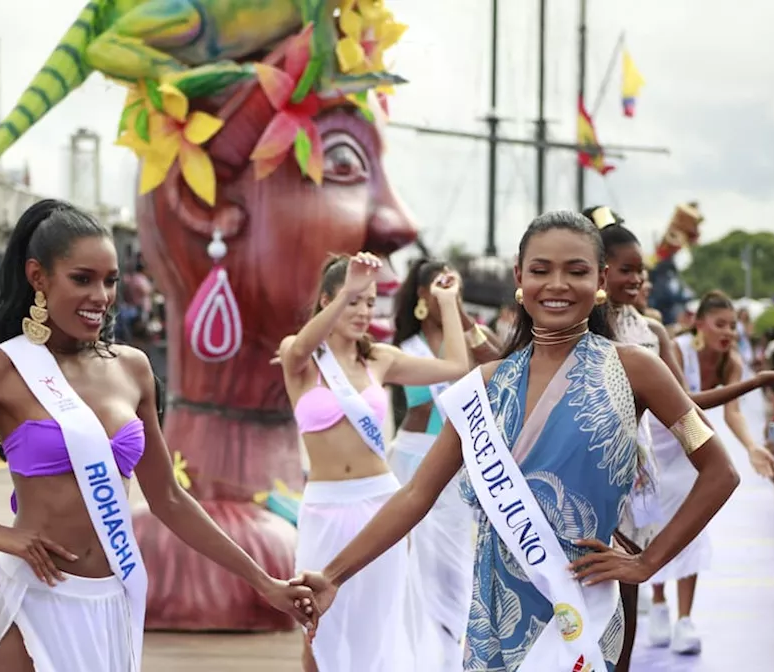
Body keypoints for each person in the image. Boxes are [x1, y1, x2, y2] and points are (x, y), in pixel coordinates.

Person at [0, 200, 313, 672]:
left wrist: (264, 583)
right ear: (38, 277)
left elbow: (169, 499)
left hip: (109, 603)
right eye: (82, 278)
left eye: (111, 280)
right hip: (29, 601)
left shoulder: (133, 369)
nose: (101, 295)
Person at [293, 211, 741, 672]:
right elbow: (415, 494)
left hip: (584, 608)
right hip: (494, 615)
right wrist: (332, 576)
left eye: (577, 270)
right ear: (519, 278)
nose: (558, 284)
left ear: (601, 279)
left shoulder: (637, 370)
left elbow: (720, 470)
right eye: (541, 270)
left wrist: (648, 562)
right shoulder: (485, 385)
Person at [593, 210, 774, 661]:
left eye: (642, 271)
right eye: (626, 269)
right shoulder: (580, 325)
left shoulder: (651, 331)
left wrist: (758, 381)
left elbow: (686, 402)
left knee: (626, 597)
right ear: (600, 269)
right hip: (584, 476)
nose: (636, 279)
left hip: (635, 477)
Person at [278, 251, 472, 671]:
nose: (364, 310)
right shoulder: (300, 357)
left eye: (370, 301)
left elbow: (456, 366)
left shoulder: (378, 359)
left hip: (379, 502)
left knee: (383, 623)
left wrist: (447, 303)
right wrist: (349, 285)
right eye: (353, 300)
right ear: (328, 299)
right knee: (315, 627)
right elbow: (300, 349)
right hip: (324, 507)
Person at [637, 289, 774, 652]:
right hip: (659, 439)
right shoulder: (677, 349)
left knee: (691, 528)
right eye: (720, 324)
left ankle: (684, 618)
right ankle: (658, 602)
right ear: (699, 324)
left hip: (693, 442)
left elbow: (732, 413)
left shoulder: (731, 361)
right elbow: (684, 402)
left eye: (732, 325)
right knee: (652, 525)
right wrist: (761, 380)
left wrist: (751, 447)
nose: (728, 332)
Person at [389, 257, 498, 667]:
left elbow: (509, 366)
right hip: (412, 458)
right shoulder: (403, 348)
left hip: (456, 463)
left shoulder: (474, 338)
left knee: (455, 564)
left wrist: (464, 319)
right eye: (439, 284)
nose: (448, 290)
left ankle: (455, 656)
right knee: (414, 567)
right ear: (421, 295)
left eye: (455, 283)